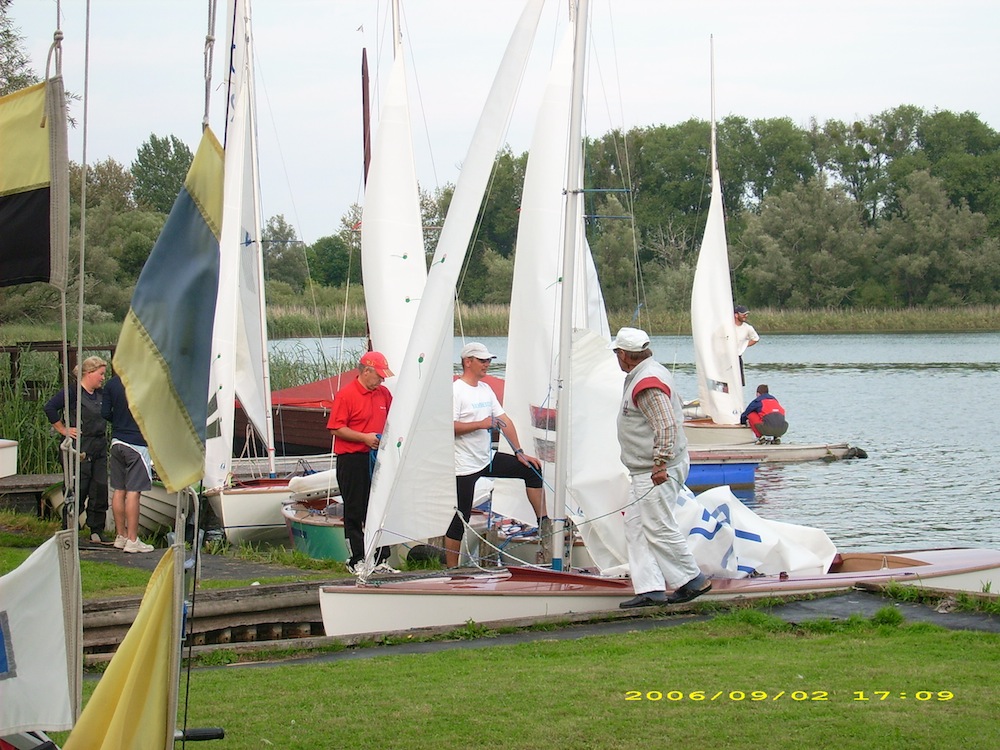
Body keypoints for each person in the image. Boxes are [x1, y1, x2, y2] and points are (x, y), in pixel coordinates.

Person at [610, 327, 711, 608]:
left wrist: (660, 463)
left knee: (658, 526)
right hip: (647, 468)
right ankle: (650, 589)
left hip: (654, 470)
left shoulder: (647, 382)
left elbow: (665, 425)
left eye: (617, 353)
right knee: (636, 525)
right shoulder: (649, 372)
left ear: (623, 355)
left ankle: (692, 579)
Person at [451, 342, 545, 568]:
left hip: (487, 458)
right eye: (482, 360)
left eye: (488, 360)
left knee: (532, 470)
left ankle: (545, 525)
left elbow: (504, 420)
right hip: (464, 464)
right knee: (461, 516)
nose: (487, 364)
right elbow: (449, 427)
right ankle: (451, 569)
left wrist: (519, 452)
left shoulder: (485, 389)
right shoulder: (456, 391)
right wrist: (480, 424)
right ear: (468, 362)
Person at [328, 351, 396, 575]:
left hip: (377, 457)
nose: (382, 380)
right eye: (379, 375)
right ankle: (357, 558)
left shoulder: (383, 394)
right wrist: (364, 438)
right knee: (355, 508)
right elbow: (336, 427)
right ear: (366, 371)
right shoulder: (346, 395)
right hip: (353, 458)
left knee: (380, 506)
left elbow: (393, 419)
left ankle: (381, 558)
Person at [43, 356, 110, 542]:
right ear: (89, 373)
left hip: (99, 445)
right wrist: (63, 429)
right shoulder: (72, 392)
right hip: (78, 446)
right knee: (77, 488)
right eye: (101, 374)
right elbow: (50, 408)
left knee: (100, 488)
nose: (103, 378)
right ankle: (70, 529)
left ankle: (96, 530)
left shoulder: (101, 394)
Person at [101, 374, 154, 553]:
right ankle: (132, 540)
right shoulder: (144, 382)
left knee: (119, 489)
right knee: (133, 492)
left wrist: (119, 421)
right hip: (136, 444)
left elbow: (104, 413)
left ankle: (121, 536)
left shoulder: (111, 384)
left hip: (117, 442)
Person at [733, 304, 759, 386]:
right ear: (736, 315)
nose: (745, 316)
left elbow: (755, 339)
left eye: (746, 314)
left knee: (739, 382)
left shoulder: (748, 328)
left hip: (737, 357)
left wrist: (743, 345)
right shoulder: (728, 326)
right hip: (724, 357)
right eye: (743, 314)